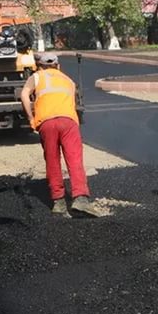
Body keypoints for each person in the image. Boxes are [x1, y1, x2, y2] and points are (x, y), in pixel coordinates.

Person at [20, 52, 97, 217]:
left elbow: (24, 94)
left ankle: (59, 203)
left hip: (47, 122)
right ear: (58, 66)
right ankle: (81, 198)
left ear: (40, 66)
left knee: (53, 160)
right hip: (69, 122)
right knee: (75, 159)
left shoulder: (37, 76)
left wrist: (30, 117)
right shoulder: (69, 80)